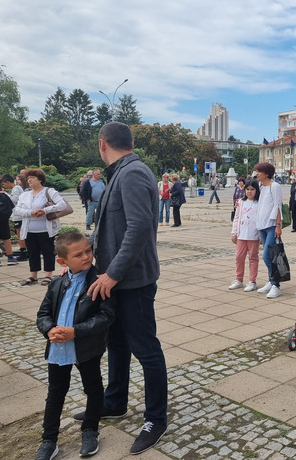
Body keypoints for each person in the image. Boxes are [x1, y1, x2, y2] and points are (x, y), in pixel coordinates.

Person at [79, 122, 169, 455]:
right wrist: (84, 256)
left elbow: (139, 228)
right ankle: (114, 401)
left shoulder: (132, 173)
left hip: (133, 281)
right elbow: (109, 229)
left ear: (102, 143)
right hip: (113, 279)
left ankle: (156, 418)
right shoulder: (120, 171)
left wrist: (113, 274)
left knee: (146, 349)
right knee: (116, 342)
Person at [34, 231, 115, 460]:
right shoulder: (57, 284)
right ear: (62, 261)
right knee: (56, 393)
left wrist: (76, 331)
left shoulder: (99, 281)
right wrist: (49, 329)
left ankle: (90, 429)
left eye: (88, 251)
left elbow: (106, 316)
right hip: (58, 350)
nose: (87, 257)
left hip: (86, 348)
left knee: (93, 388)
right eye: (78, 254)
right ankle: (49, 440)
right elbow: (43, 314)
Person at [15, 169, 68, 286]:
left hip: (45, 229)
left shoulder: (49, 191)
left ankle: (48, 275)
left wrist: (44, 210)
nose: (29, 181)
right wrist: (30, 212)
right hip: (29, 229)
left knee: (47, 251)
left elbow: (62, 204)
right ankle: (33, 275)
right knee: (32, 252)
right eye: (28, 179)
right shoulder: (24, 195)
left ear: (40, 180)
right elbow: (17, 210)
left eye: (32, 179)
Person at [252, 162, 285, 298]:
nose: (257, 174)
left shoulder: (274, 186)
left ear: (266, 173)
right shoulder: (262, 187)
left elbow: (278, 205)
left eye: (259, 171)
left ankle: (276, 284)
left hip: (271, 226)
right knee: (268, 255)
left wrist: (278, 225)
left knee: (268, 255)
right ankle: (271, 281)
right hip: (262, 226)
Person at [229, 178, 261, 292]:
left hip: (253, 235)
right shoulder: (241, 202)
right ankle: (239, 279)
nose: (249, 192)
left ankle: (252, 281)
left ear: (256, 190)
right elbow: (237, 217)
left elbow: (261, 219)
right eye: (247, 189)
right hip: (241, 234)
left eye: (252, 189)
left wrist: (260, 235)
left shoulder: (259, 203)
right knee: (239, 257)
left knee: (253, 258)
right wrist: (234, 232)